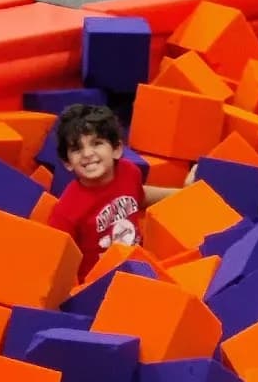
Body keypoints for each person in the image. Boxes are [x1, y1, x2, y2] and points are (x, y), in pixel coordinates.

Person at [48, 103, 178, 279]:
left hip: (137, 266)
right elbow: (57, 262)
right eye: (77, 149)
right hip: (98, 283)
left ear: (116, 150)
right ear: (68, 163)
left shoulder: (129, 172)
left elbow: (140, 196)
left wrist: (184, 192)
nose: (87, 154)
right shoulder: (66, 211)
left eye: (97, 143)